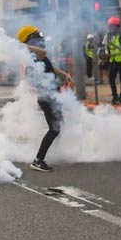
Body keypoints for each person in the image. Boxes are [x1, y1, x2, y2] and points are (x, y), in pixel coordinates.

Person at [17, 25, 73, 172]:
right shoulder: (32, 56)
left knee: (58, 126)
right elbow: (43, 53)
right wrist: (24, 46)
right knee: (54, 129)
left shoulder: (37, 55)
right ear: (29, 40)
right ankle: (38, 160)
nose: (41, 37)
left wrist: (64, 74)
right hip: (46, 97)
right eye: (37, 35)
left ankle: (53, 152)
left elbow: (51, 67)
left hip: (52, 95)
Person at [105, 16, 121, 104]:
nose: (111, 28)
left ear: (117, 27)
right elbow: (105, 48)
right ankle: (115, 96)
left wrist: (114, 45)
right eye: (110, 26)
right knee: (111, 79)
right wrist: (104, 53)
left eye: (113, 26)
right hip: (112, 61)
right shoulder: (107, 36)